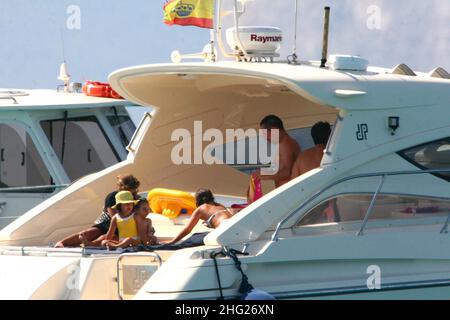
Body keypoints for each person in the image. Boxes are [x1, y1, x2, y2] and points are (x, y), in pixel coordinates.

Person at [54, 174, 140, 248]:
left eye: (133, 191)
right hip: (107, 222)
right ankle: (62, 243)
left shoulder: (135, 199)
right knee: (88, 233)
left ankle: (90, 244)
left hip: (126, 226)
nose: (131, 193)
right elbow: (115, 216)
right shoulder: (112, 196)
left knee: (107, 237)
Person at [253, 115, 301, 188]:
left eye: (266, 134)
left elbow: (287, 172)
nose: (266, 138)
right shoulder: (288, 143)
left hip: (288, 190)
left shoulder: (285, 144)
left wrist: (264, 176)